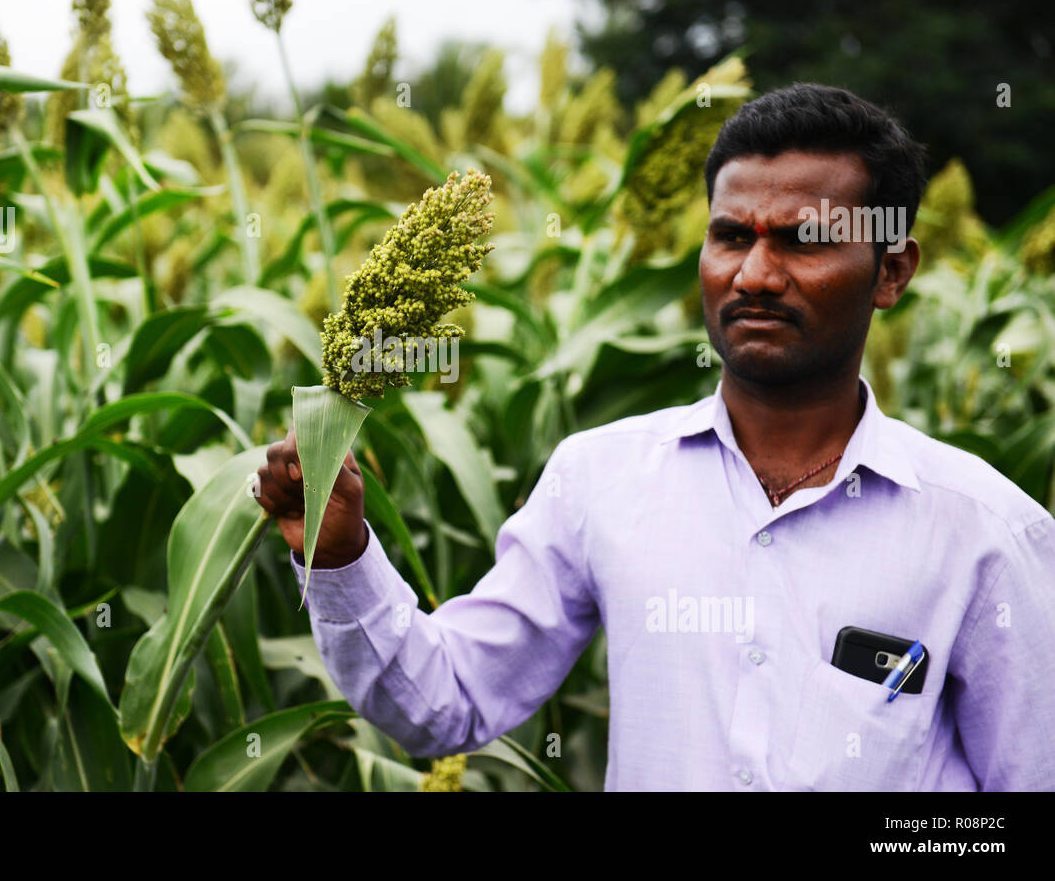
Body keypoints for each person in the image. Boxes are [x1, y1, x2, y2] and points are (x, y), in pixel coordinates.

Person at [252, 83, 1055, 790]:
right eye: (733, 236)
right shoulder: (600, 477)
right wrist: (340, 554)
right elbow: (444, 704)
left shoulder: (984, 532)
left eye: (803, 241)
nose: (755, 274)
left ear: (891, 271)